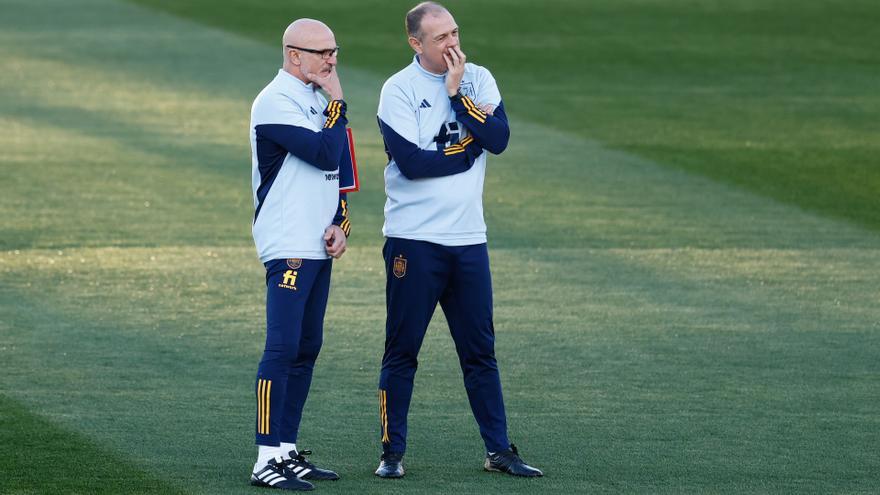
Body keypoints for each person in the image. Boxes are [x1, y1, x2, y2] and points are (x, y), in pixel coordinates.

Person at [374, 1, 542, 479]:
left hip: (469, 240)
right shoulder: (397, 90)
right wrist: (466, 152)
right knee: (402, 349)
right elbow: (412, 163)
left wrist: (456, 97)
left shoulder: (478, 78)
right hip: (413, 240)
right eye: (441, 37)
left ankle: (498, 451)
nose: (453, 43)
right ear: (416, 43)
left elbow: (500, 137)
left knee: (480, 351)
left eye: (454, 33)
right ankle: (391, 453)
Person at [248, 18, 351, 491]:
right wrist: (339, 104)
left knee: (307, 347)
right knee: (283, 347)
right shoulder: (276, 100)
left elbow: (340, 175)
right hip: (288, 241)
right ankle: (266, 456)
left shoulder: (315, 99)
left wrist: (341, 224)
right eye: (322, 52)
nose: (331, 60)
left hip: (318, 243)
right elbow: (323, 153)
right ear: (294, 55)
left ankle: (288, 450)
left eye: (334, 51)